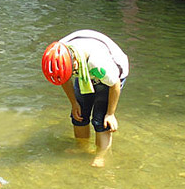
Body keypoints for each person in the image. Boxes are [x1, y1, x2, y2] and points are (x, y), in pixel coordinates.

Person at [42, 30, 129, 167]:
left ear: (75, 63)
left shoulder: (98, 64)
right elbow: (63, 79)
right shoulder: (59, 53)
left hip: (112, 77)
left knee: (100, 120)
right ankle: (81, 146)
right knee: (79, 114)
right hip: (85, 69)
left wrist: (110, 114)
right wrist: (74, 103)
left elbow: (115, 84)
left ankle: (101, 155)